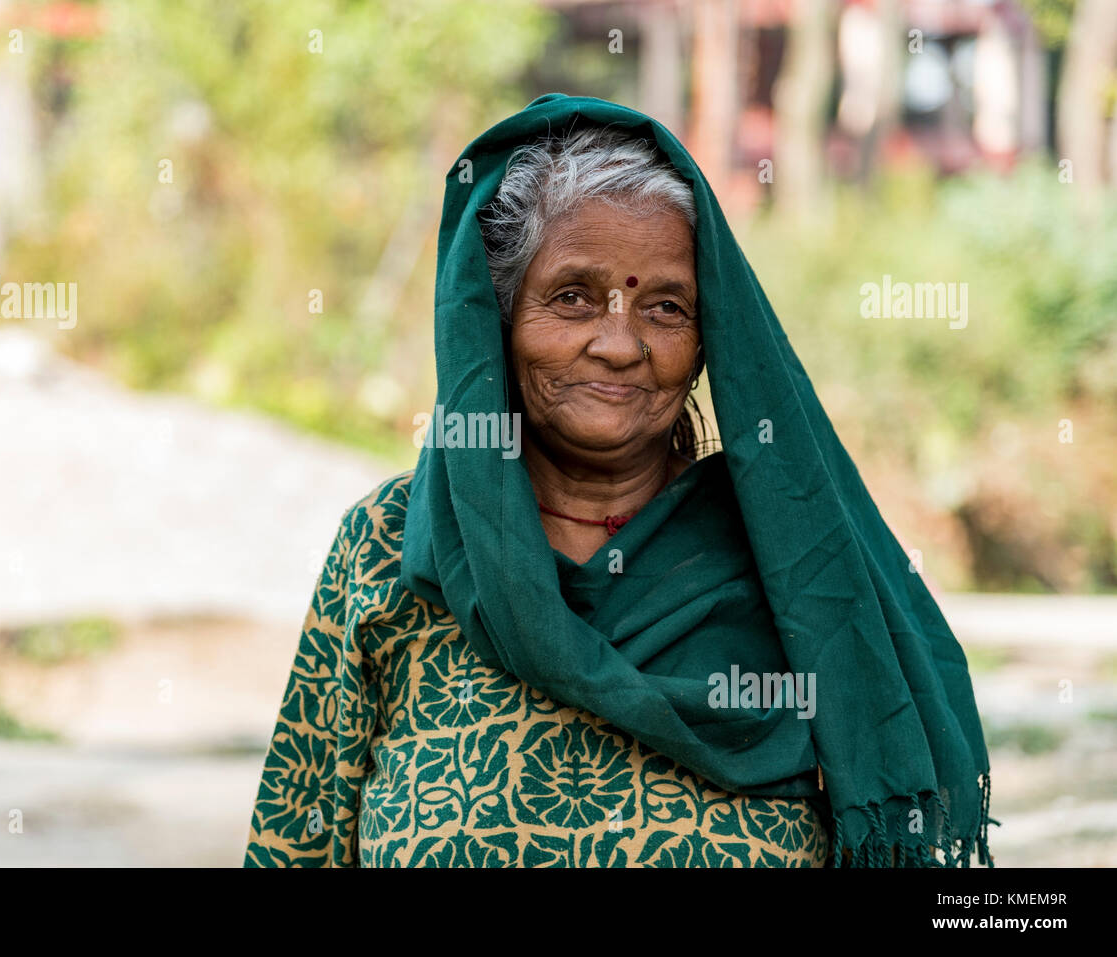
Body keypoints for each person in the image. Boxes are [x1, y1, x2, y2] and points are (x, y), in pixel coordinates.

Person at [244, 93, 993, 868]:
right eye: (572, 297)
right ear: (499, 320)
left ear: (709, 342)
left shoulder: (793, 561)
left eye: (665, 307)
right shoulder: (391, 547)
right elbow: (294, 845)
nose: (619, 343)